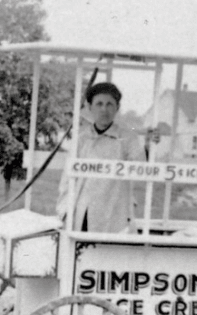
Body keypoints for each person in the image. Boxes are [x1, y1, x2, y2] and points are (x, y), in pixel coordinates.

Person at [56, 81, 150, 233]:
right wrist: (64, 211)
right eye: (99, 104)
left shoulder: (127, 138)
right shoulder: (81, 139)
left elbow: (141, 169)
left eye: (109, 104)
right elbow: (67, 180)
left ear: (117, 108)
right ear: (89, 107)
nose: (104, 109)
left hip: (116, 213)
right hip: (85, 213)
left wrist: (149, 145)